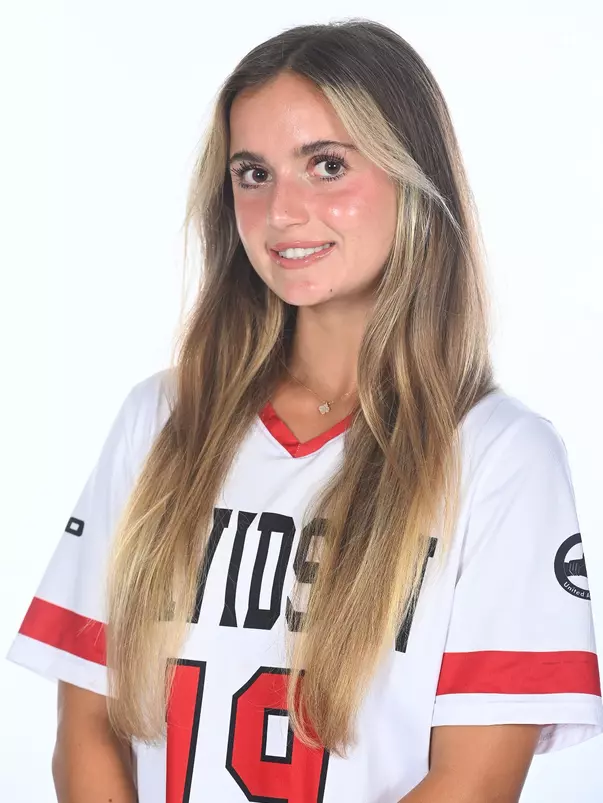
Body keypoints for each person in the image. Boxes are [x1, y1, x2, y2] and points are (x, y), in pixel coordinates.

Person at [6, 18, 603, 803]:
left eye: (325, 166)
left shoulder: (498, 455)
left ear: (409, 176)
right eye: (252, 173)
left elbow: (474, 783)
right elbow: (86, 729)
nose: (282, 212)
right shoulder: (160, 417)